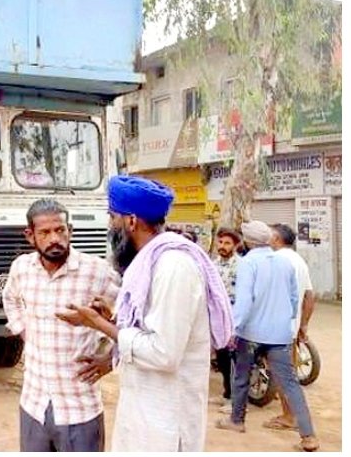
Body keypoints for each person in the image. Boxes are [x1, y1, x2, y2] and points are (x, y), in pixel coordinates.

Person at [56, 175, 233, 452]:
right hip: (146, 416)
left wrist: (99, 323)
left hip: (167, 426)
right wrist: (113, 319)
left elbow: (164, 352)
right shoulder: (151, 261)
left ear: (131, 221)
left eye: (112, 217)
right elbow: (151, 327)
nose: (110, 226)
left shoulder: (174, 267)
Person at [2, 198, 121, 452]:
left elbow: (130, 315)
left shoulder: (96, 271)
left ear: (70, 231)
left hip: (79, 407)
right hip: (33, 404)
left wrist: (111, 359)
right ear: (30, 236)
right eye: (45, 232)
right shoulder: (21, 268)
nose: (54, 238)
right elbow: (10, 299)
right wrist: (24, 331)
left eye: (60, 230)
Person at [215, 220, 319, 452]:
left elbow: (244, 301)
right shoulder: (285, 263)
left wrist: (233, 329)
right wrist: (286, 321)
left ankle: (237, 420)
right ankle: (309, 436)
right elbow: (294, 298)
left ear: (247, 241)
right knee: (290, 384)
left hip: (251, 334)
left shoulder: (248, 263)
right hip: (280, 334)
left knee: (241, 377)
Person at [262, 223, 315, 432]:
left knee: (282, 374)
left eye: (269, 236)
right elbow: (310, 295)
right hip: (290, 327)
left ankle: (289, 417)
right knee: (287, 373)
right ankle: (291, 414)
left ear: (276, 239)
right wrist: (303, 325)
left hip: (276, 328)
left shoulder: (276, 260)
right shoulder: (298, 260)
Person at [211, 227, 242, 410]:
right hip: (219, 319)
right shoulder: (213, 265)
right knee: (222, 358)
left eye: (227, 243)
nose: (222, 246)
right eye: (221, 242)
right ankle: (226, 393)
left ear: (235, 246)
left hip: (235, 319)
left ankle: (235, 401)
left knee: (233, 360)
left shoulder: (241, 266)